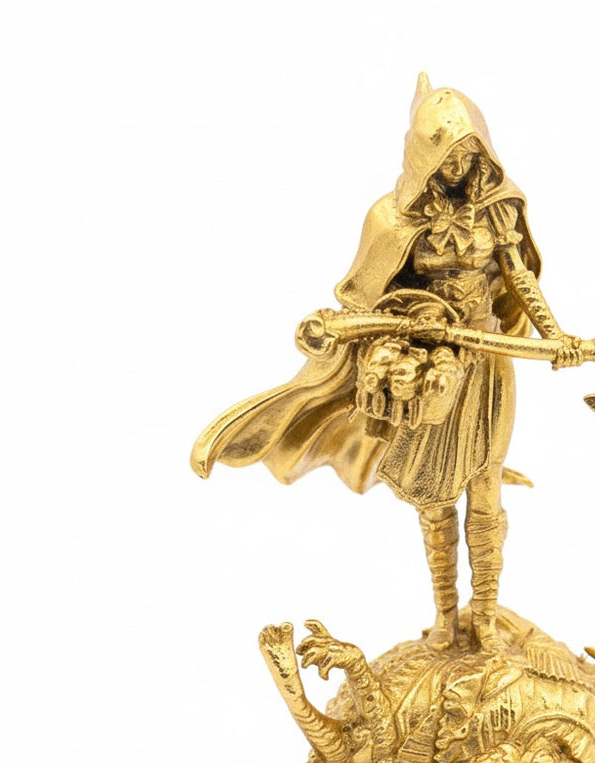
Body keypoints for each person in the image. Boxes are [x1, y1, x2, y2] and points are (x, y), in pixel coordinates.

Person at [192, 74, 575, 652]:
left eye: (468, 156)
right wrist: (400, 322)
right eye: (447, 157)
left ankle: (485, 618)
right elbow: (369, 302)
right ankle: (445, 618)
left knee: (486, 488)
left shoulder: (497, 210)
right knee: (433, 496)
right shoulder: (392, 219)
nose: (458, 168)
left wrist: (555, 334)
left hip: (488, 364)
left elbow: (518, 276)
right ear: (423, 156)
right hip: (429, 369)